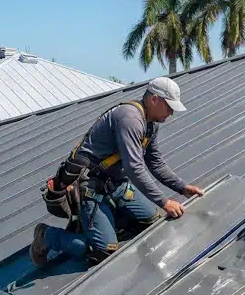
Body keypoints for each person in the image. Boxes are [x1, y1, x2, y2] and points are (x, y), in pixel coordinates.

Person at [30, 77, 205, 266]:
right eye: (169, 107)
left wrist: (182, 188)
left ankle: (101, 224)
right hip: (92, 187)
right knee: (104, 252)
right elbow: (134, 168)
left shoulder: (150, 125)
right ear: (154, 99)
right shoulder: (130, 118)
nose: (171, 113)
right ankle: (47, 236)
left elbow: (155, 162)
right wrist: (164, 202)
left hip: (116, 184)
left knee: (151, 221)